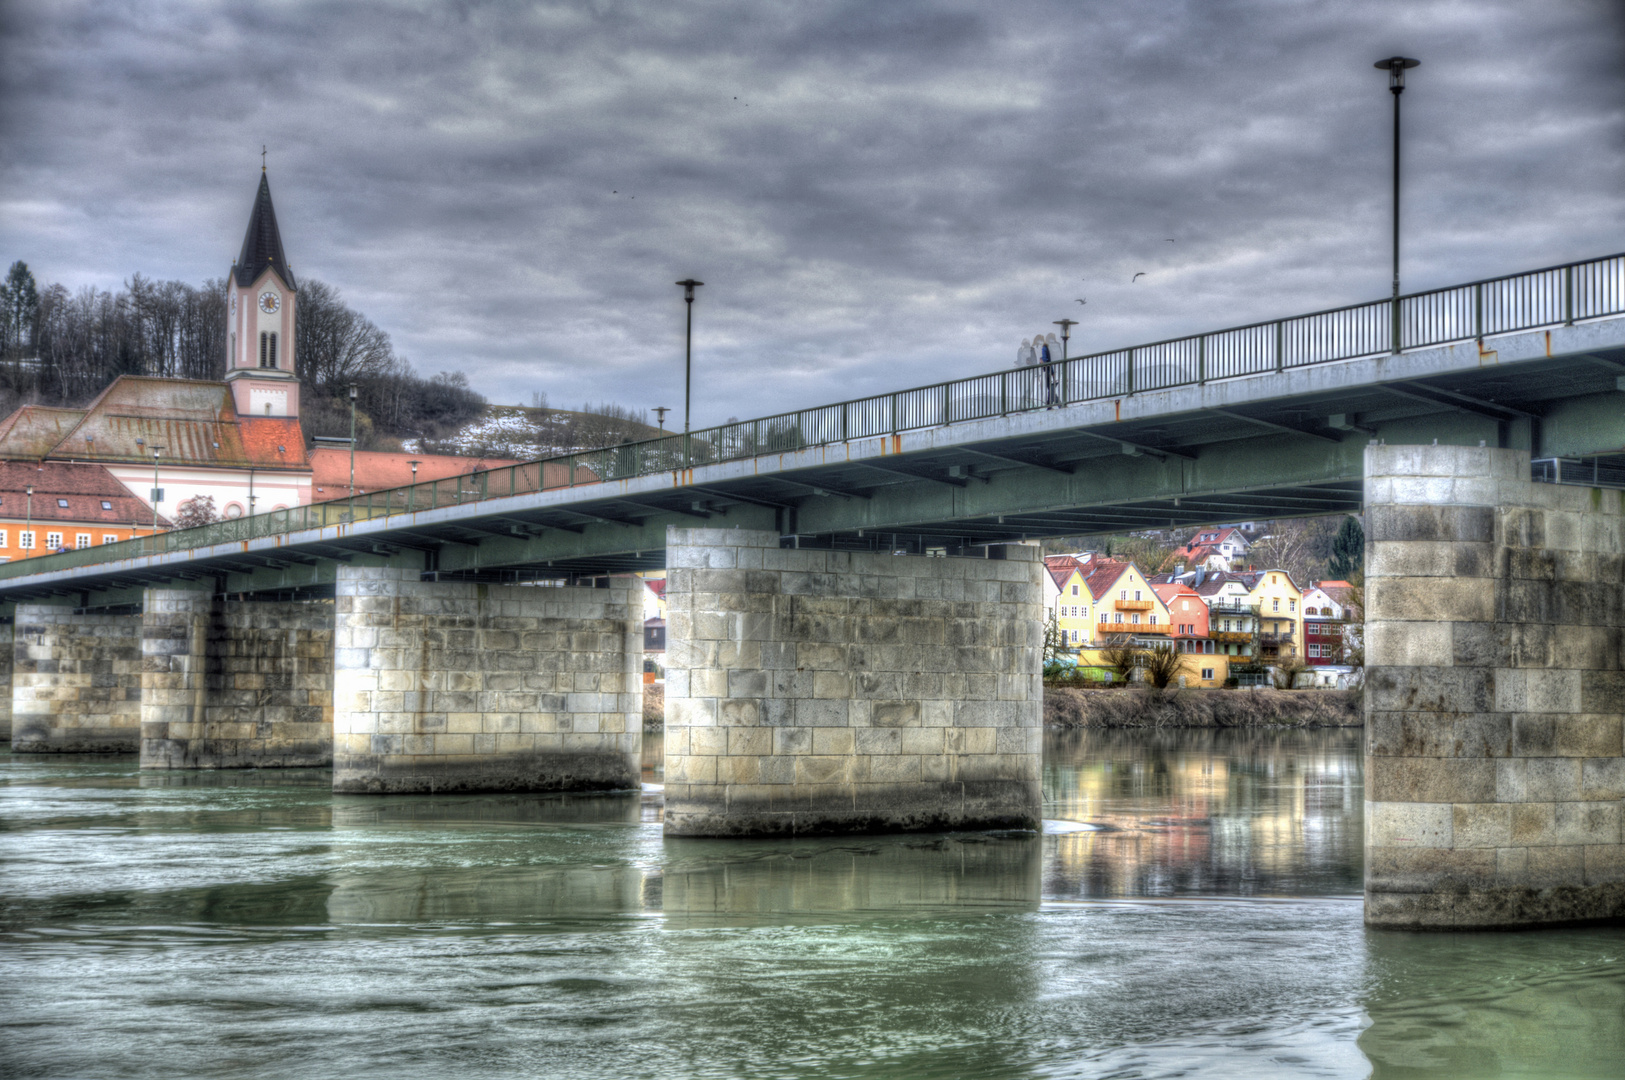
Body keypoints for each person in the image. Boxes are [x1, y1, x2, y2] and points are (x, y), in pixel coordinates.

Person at [1039, 332, 1059, 407]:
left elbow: (1045, 359)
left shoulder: (1044, 348)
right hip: (1049, 370)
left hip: (1047, 370)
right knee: (1050, 388)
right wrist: (1053, 373)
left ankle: (1051, 404)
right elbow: (1049, 360)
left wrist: (1041, 362)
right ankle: (1053, 403)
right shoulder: (1047, 349)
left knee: (1050, 388)